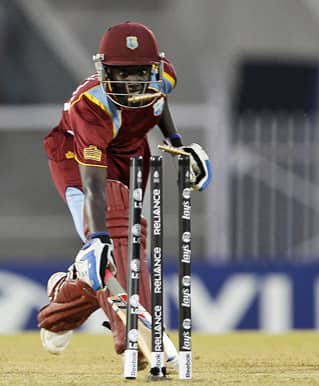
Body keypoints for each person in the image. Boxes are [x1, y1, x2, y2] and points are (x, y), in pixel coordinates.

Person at [37, 21, 211, 360]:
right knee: (121, 237)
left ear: (155, 68)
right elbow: (93, 185)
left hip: (131, 155)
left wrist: (177, 145)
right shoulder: (90, 108)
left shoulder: (164, 77)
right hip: (78, 165)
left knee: (111, 257)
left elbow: (158, 106)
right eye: (122, 74)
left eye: (140, 73)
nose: (133, 83)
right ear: (104, 71)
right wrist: (98, 237)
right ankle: (137, 332)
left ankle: (63, 296)